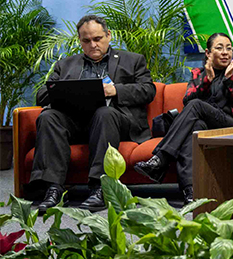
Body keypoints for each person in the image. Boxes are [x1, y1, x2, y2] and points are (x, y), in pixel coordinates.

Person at [32, 15, 156, 212]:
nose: (93, 45)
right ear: (80, 41)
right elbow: (41, 95)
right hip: (76, 123)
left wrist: (116, 90)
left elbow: (148, 90)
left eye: (97, 39)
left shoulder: (132, 60)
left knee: (104, 113)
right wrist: (66, 90)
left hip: (114, 121)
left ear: (108, 35)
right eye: (86, 41)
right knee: (48, 116)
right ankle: (53, 189)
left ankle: (100, 188)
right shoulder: (66, 65)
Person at [133, 33, 233, 205]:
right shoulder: (198, 73)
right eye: (219, 48)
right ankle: (190, 192)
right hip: (202, 125)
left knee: (196, 105)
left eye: (229, 48)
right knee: (193, 128)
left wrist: (229, 79)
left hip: (227, 124)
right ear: (208, 53)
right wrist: (206, 81)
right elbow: (186, 101)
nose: (225, 52)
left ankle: (160, 159)